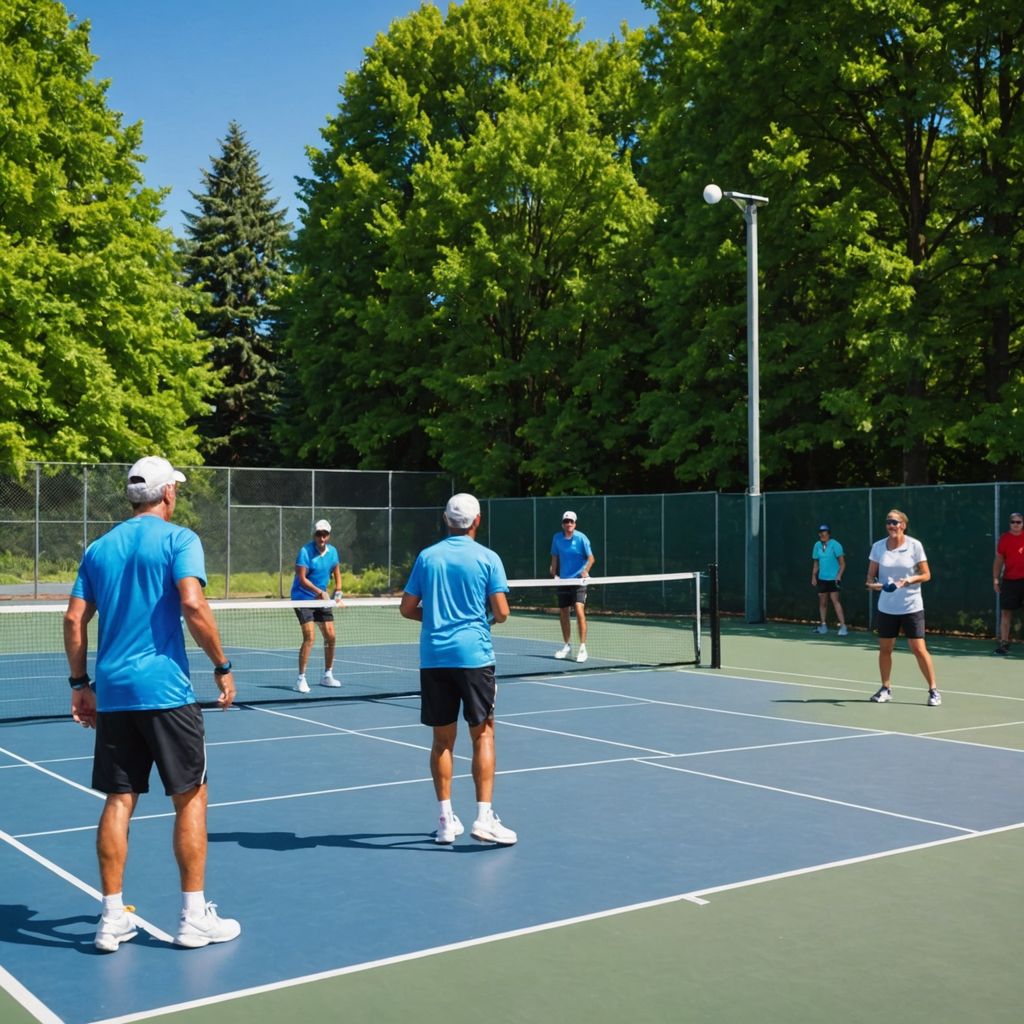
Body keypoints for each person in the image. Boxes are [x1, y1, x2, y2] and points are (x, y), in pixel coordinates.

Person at [62, 456, 241, 953]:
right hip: (166, 693)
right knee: (190, 797)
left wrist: (80, 682)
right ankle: (192, 917)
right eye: (176, 490)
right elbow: (191, 603)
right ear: (167, 495)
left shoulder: (98, 548)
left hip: (115, 694)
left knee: (119, 800)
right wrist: (222, 665)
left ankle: (111, 917)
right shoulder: (180, 540)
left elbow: (74, 620)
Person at [399, 493, 517, 846]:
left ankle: (445, 820)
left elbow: (407, 608)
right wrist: (480, 621)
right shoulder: (488, 558)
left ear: (445, 519)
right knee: (483, 734)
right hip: (474, 658)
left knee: (441, 742)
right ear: (477, 520)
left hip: (434, 659)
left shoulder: (427, 557)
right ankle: (483, 817)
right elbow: (502, 611)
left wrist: (435, 618)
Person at [865, 509, 941, 706]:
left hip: (911, 605)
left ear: (903, 525)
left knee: (918, 648)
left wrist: (907, 581)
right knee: (885, 649)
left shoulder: (915, 546)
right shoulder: (878, 547)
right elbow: (869, 579)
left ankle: (933, 690)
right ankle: (885, 688)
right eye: (888, 522)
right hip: (887, 607)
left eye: (895, 522)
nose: (891, 525)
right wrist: (879, 586)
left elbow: (926, 575)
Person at [290, 518, 344, 692]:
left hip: (322, 599)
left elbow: (337, 573)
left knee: (331, 636)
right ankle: (301, 679)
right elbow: (302, 579)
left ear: (329, 536)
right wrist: (320, 592)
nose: (321, 538)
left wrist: (338, 591)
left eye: (325, 534)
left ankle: (327, 675)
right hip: (302, 599)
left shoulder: (333, 552)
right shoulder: (305, 552)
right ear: (314, 535)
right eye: (319, 534)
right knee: (310, 637)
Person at [549, 510, 596, 663]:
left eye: (571, 522)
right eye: (566, 521)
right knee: (563, 612)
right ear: (562, 524)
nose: (568, 524)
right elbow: (555, 557)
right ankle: (567, 646)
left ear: (575, 524)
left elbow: (591, 558)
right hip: (563, 580)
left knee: (578, 608)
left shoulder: (581, 538)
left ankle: (582, 647)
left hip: (578, 581)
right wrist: (553, 572)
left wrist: (585, 571)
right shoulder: (557, 538)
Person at [992, 511, 1024, 655]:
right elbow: (999, 560)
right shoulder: (1004, 539)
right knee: (1006, 613)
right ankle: (1004, 643)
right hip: (1010, 581)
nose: (1016, 525)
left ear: (1022, 524)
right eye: (1013, 522)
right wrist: (996, 578)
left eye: (1019, 522)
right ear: (1010, 524)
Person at [810, 523, 848, 635]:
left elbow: (842, 564)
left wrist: (839, 575)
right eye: (820, 532)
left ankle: (843, 627)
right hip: (822, 578)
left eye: (824, 532)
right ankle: (823, 626)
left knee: (835, 601)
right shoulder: (817, 545)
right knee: (822, 602)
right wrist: (813, 576)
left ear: (828, 533)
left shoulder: (836, 545)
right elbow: (816, 562)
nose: (822, 534)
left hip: (833, 579)